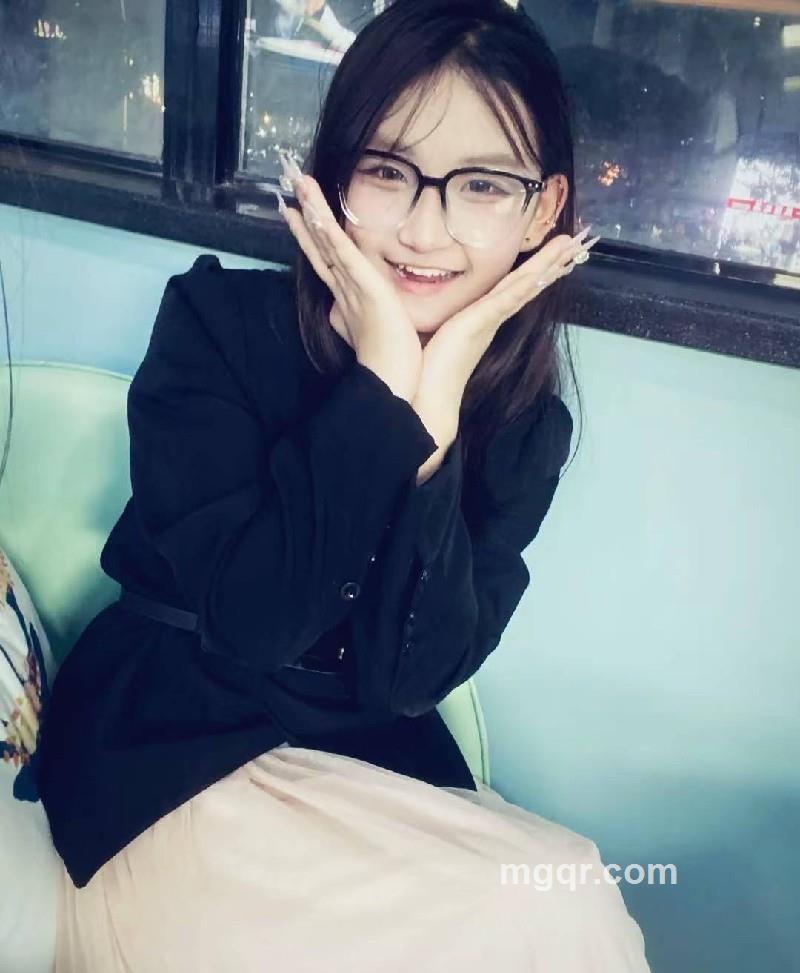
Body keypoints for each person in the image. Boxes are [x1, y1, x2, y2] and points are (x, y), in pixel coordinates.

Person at [37, 0, 651, 969]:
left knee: (562, 889)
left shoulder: (527, 425)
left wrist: (435, 414)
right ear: (335, 178)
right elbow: (254, 624)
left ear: (541, 211)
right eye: (387, 171)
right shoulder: (212, 324)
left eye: (481, 185)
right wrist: (382, 381)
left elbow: (412, 681)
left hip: (363, 756)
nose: (424, 229)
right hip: (167, 759)